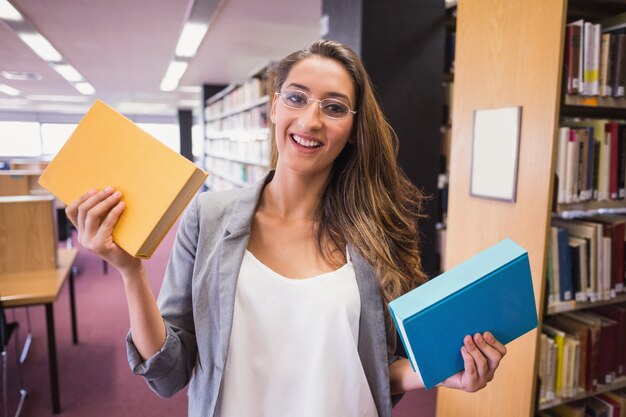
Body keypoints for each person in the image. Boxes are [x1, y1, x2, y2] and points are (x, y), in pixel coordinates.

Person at [65, 40, 506, 417]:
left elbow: (375, 363)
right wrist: (130, 271)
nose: (310, 121)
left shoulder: (377, 231)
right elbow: (169, 373)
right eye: (296, 98)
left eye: (333, 107)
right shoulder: (207, 219)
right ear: (273, 107)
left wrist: (441, 372)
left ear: (352, 129)